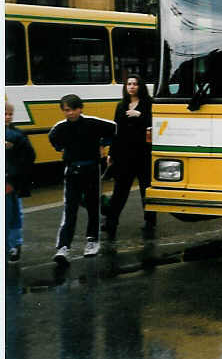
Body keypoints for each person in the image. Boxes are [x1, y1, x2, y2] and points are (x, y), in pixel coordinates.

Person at [48, 94, 116, 263]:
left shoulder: (92, 123)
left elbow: (114, 128)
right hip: (72, 171)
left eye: (71, 110)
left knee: (93, 206)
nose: (69, 113)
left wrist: (103, 144)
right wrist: (62, 149)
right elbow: (53, 139)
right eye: (65, 111)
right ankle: (63, 247)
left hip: (91, 169)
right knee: (70, 209)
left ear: (80, 109)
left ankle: (92, 241)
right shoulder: (60, 127)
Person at [105, 74, 155, 240]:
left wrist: (139, 115)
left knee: (145, 188)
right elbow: (115, 131)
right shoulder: (121, 106)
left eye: (135, 84)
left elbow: (155, 123)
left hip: (143, 153)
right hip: (124, 154)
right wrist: (111, 153)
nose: (132, 86)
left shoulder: (148, 104)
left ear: (140, 86)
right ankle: (111, 222)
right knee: (120, 189)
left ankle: (150, 221)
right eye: (129, 84)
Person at [6, 102, 35, 263]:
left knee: (15, 214)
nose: (8, 117)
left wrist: (13, 149)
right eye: (5, 114)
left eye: (10, 114)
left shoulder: (16, 135)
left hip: (11, 183)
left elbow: (29, 155)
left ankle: (15, 246)